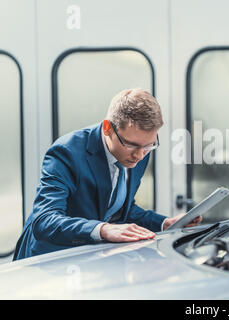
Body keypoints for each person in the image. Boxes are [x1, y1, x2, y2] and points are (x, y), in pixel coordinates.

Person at [13, 88, 201, 260]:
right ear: (107, 128)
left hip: (91, 260)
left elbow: (118, 208)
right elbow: (44, 220)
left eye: (149, 145)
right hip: (51, 260)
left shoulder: (139, 151)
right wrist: (103, 229)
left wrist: (163, 223)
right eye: (131, 145)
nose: (139, 155)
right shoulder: (66, 153)